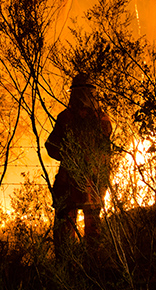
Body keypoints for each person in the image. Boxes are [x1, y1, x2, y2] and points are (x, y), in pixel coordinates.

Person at [45, 73, 112, 258]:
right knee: (92, 229)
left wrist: (67, 154)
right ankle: (92, 267)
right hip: (93, 182)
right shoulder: (103, 120)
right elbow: (106, 154)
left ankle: (68, 266)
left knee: (66, 228)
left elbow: (51, 146)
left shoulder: (66, 118)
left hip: (70, 182)